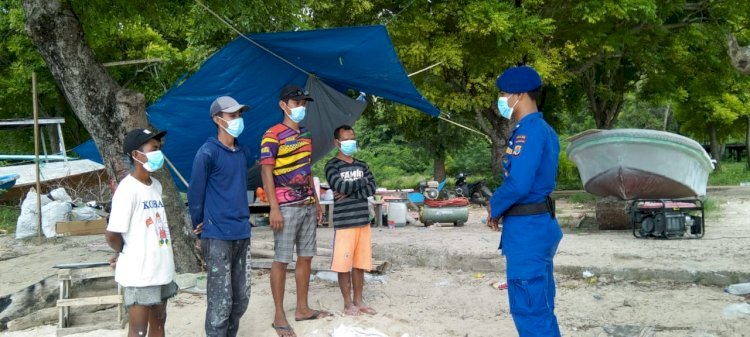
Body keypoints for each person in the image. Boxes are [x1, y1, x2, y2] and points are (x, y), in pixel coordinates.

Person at [486, 66, 563, 336]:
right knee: (540, 305)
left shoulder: (529, 132)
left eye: (505, 93)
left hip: (528, 229)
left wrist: (494, 206)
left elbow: (518, 183)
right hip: (536, 225)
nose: (502, 100)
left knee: (529, 308)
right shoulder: (541, 130)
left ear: (520, 94)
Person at [260, 85, 331, 337]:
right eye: (296, 102)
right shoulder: (272, 135)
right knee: (281, 259)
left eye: (304, 102)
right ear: (283, 105)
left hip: (307, 205)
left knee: (306, 257)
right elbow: (266, 171)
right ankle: (279, 314)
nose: (301, 106)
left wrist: (316, 200)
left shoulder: (306, 134)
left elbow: (306, 169)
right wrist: (274, 208)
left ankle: (302, 308)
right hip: (285, 206)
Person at [188, 96, 252, 337]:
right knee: (220, 300)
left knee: (241, 297)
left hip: (242, 232)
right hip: (217, 236)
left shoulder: (242, 152)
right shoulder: (207, 153)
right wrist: (198, 225)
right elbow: (196, 193)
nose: (238, 120)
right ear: (217, 119)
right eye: (232, 116)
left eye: (239, 115)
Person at [105, 128, 177, 337]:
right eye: (153, 148)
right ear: (136, 155)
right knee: (138, 330)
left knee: (160, 322)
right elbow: (112, 235)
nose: (158, 152)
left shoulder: (156, 186)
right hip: (139, 273)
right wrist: (124, 251)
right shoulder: (127, 190)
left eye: (159, 147)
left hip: (161, 267)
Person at [324, 125, 377, 316]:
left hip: (363, 221)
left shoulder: (362, 164)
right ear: (337, 143)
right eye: (346, 139)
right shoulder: (331, 166)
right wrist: (360, 184)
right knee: (343, 265)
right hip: (344, 223)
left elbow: (372, 187)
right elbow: (338, 185)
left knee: (360, 264)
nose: (350, 142)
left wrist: (348, 191)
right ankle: (348, 304)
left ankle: (359, 301)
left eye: (352, 138)